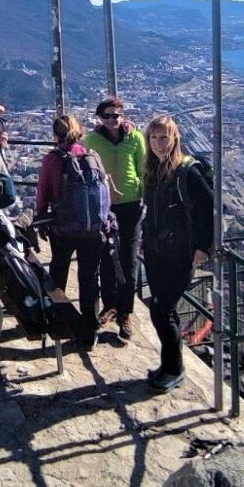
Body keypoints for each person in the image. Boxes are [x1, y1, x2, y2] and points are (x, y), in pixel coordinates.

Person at [141, 115, 213, 393]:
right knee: (162, 308)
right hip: (156, 249)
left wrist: (202, 248)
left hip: (181, 253)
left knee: (162, 310)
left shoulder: (188, 172)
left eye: (164, 138)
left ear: (174, 139)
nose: (159, 143)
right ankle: (169, 365)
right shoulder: (154, 170)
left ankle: (174, 369)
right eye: (154, 138)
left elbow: (208, 210)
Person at [36, 116, 112, 337]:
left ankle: (58, 320)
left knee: (59, 272)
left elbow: (44, 192)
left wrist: (41, 217)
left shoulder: (53, 160)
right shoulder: (92, 156)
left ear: (55, 135)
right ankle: (90, 324)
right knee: (89, 276)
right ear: (79, 132)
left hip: (63, 228)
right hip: (92, 228)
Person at [82, 97, 147, 340]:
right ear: (100, 118)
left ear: (123, 116)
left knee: (128, 261)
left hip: (131, 206)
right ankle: (110, 305)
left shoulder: (135, 138)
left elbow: (143, 168)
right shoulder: (91, 141)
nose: (112, 120)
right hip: (105, 207)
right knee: (107, 259)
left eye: (116, 115)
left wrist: (143, 195)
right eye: (107, 115)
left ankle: (125, 312)